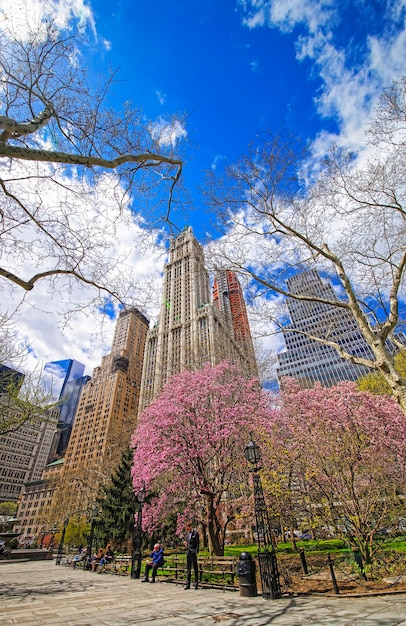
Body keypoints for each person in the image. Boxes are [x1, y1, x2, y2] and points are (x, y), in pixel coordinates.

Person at [184, 523, 199, 590]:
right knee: (188, 569)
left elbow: (197, 543)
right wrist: (185, 544)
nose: (187, 529)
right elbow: (187, 543)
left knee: (195, 568)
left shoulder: (195, 533)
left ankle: (196, 583)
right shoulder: (187, 535)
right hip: (188, 552)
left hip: (193, 552)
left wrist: (196, 551)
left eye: (187, 527)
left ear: (190, 527)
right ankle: (188, 584)